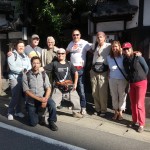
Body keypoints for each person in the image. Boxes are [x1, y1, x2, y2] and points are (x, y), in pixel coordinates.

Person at [43, 48, 83, 118]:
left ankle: (76, 112)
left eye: (62, 53)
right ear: (57, 54)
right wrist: (33, 69)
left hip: (69, 87)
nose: (60, 55)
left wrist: (75, 84)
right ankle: (47, 115)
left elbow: (76, 73)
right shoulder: (54, 64)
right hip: (58, 87)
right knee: (53, 103)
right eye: (59, 53)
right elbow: (43, 69)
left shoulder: (69, 64)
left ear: (65, 54)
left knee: (76, 99)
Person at [22, 56, 58, 131]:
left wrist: (45, 100)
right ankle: (34, 112)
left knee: (52, 105)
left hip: (43, 97)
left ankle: (51, 121)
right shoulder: (26, 75)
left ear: (40, 64)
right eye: (34, 63)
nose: (36, 65)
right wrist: (39, 99)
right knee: (33, 123)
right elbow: (26, 91)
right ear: (31, 63)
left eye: (38, 63)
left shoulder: (43, 74)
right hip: (32, 101)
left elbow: (48, 88)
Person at [122, 42, 149, 133]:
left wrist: (141, 77)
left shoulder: (138, 57)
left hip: (141, 82)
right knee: (133, 103)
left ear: (131, 48)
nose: (126, 51)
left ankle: (141, 124)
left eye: (128, 48)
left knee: (140, 104)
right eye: (124, 49)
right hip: (132, 83)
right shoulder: (125, 60)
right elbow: (126, 71)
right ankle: (134, 120)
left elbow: (146, 68)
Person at [66, 29, 92, 115]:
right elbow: (65, 52)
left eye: (77, 35)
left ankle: (83, 107)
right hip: (71, 69)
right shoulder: (71, 43)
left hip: (80, 69)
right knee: (72, 88)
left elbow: (93, 49)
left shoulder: (84, 43)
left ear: (80, 35)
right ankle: (74, 104)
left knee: (81, 88)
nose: (75, 36)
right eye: (74, 35)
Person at [7, 40, 31, 120]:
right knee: (15, 96)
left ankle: (18, 111)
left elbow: (29, 66)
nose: (21, 47)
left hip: (24, 78)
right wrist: (23, 70)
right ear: (16, 46)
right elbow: (12, 67)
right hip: (15, 78)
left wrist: (28, 70)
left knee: (21, 97)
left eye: (23, 46)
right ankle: (10, 112)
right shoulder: (12, 55)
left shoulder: (25, 56)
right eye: (19, 46)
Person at [90, 31, 111, 117]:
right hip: (94, 70)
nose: (99, 38)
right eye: (98, 37)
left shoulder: (109, 46)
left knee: (102, 92)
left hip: (103, 71)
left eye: (101, 37)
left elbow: (119, 50)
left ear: (105, 37)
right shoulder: (95, 46)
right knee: (94, 91)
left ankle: (103, 110)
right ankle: (97, 109)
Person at [107, 41, 127, 120]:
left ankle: (121, 113)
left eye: (116, 46)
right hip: (112, 79)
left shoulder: (123, 56)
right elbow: (108, 67)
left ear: (119, 47)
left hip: (122, 79)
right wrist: (108, 75)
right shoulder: (109, 57)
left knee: (122, 96)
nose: (114, 48)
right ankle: (115, 112)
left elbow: (132, 54)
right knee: (114, 96)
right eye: (113, 47)